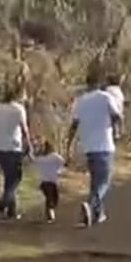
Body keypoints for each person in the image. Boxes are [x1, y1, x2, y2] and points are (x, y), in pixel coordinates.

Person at [66, 70, 121, 226]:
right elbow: (116, 116)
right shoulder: (105, 97)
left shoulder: (80, 100)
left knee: (95, 181)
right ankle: (90, 205)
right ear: (99, 83)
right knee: (105, 180)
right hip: (104, 145)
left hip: (88, 146)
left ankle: (97, 214)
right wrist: (117, 131)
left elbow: (74, 125)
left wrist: (68, 145)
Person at [0, 86, 32, 219]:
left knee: (9, 178)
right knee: (15, 178)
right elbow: (24, 129)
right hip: (13, 147)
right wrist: (28, 145)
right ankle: (3, 202)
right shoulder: (18, 109)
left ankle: (12, 211)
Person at [33, 140, 65, 222]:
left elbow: (33, 159)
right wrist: (59, 169)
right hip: (48, 182)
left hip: (50, 182)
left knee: (53, 198)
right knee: (50, 198)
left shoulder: (49, 157)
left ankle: (50, 211)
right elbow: (63, 162)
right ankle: (50, 214)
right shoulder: (50, 157)